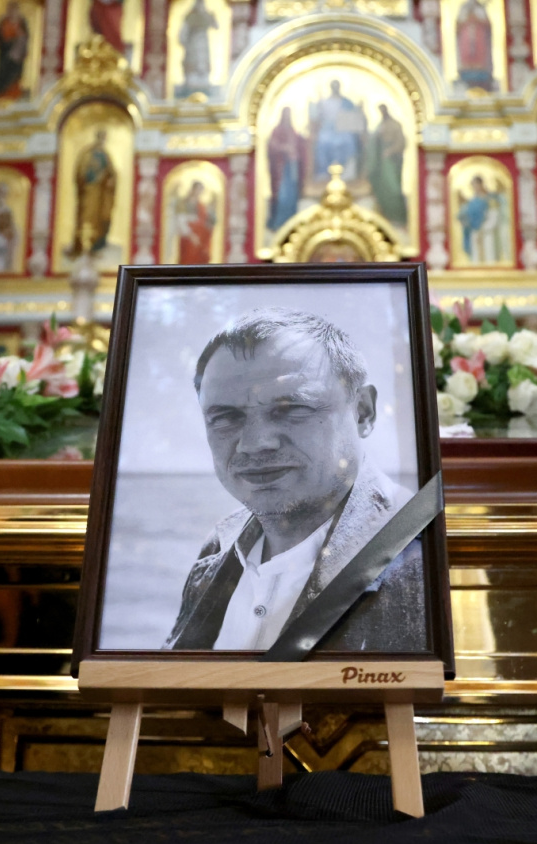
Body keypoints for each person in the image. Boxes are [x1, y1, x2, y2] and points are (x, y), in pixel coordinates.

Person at [165, 308, 426, 652]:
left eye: (291, 410)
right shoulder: (219, 545)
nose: (254, 443)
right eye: (226, 417)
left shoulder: (420, 556)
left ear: (363, 411)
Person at [69, 129, 117, 257]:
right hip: (89, 191)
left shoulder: (105, 155)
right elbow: (81, 172)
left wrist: (109, 179)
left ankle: (96, 244)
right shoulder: (87, 154)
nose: (103, 140)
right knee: (87, 215)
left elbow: (111, 173)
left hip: (101, 194)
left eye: (104, 137)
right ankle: (82, 245)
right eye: (101, 137)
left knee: (99, 218)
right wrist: (91, 179)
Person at [309, 80, 366, 182]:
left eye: (337, 86)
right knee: (322, 142)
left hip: (343, 129)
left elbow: (354, 115)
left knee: (349, 142)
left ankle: (348, 173)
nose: (335, 88)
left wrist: (359, 108)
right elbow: (317, 116)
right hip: (327, 129)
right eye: (333, 86)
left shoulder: (346, 102)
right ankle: (323, 172)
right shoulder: (325, 102)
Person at [367, 104, 407, 224]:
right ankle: (384, 214)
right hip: (381, 162)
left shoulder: (395, 125)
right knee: (382, 187)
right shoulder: (380, 125)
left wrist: (390, 151)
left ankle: (397, 216)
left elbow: (401, 142)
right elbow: (373, 141)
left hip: (392, 161)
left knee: (393, 187)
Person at [266, 107, 305, 231]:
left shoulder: (294, 132)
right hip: (281, 168)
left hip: (292, 167)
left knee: (292, 196)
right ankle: (279, 222)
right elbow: (273, 146)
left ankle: (292, 222)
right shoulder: (277, 131)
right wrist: (285, 148)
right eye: (286, 115)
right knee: (282, 196)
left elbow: (300, 146)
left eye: (289, 115)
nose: (288, 117)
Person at [0, 1, 29, 105]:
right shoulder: (4, 22)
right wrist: (9, 42)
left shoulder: (21, 22)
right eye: (10, 10)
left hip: (17, 57)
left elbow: (25, 37)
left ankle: (14, 93)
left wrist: (19, 40)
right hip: (5, 53)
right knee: (3, 73)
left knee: (14, 76)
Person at [457, 175, 506, 264]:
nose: (475, 187)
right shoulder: (471, 202)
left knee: (489, 255)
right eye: (473, 185)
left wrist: (482, 229)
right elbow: (465, 216)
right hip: (474, 233)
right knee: (476, 257)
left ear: (481, 184)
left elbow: (494, 217)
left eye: (477, 185)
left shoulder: (490, 199)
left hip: (487, 233)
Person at [178, 0, 218, 95]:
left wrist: (212, 17)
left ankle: (204, 81)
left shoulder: (207, 15)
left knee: (203, 63)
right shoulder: (190, 16)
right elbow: (183, 33)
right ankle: (192, 83)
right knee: (193, 64)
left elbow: (216, 26)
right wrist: (184, 41)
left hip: (203, 44)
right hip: (193, 45)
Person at [174, 180, 216, 264]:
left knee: (200, 258)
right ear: (193, 189)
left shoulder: (202, 205)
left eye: (201, 190)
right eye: (198, 189)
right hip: (188, 236)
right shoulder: (183, 203)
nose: (199, 192)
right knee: (188, 258)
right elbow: (180, 221)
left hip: (201, 236)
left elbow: (207, 220)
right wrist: (191, 235)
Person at [456, 0, 494, 91]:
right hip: (466, 37)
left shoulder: (480, 8)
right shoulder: (464, 8)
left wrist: (477, 20)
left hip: (479, 37)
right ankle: (467, 69)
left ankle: (482, 71)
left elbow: (487, 24)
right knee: (467, 51)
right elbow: (458, 25)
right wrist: (468, 19)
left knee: (480, 51)